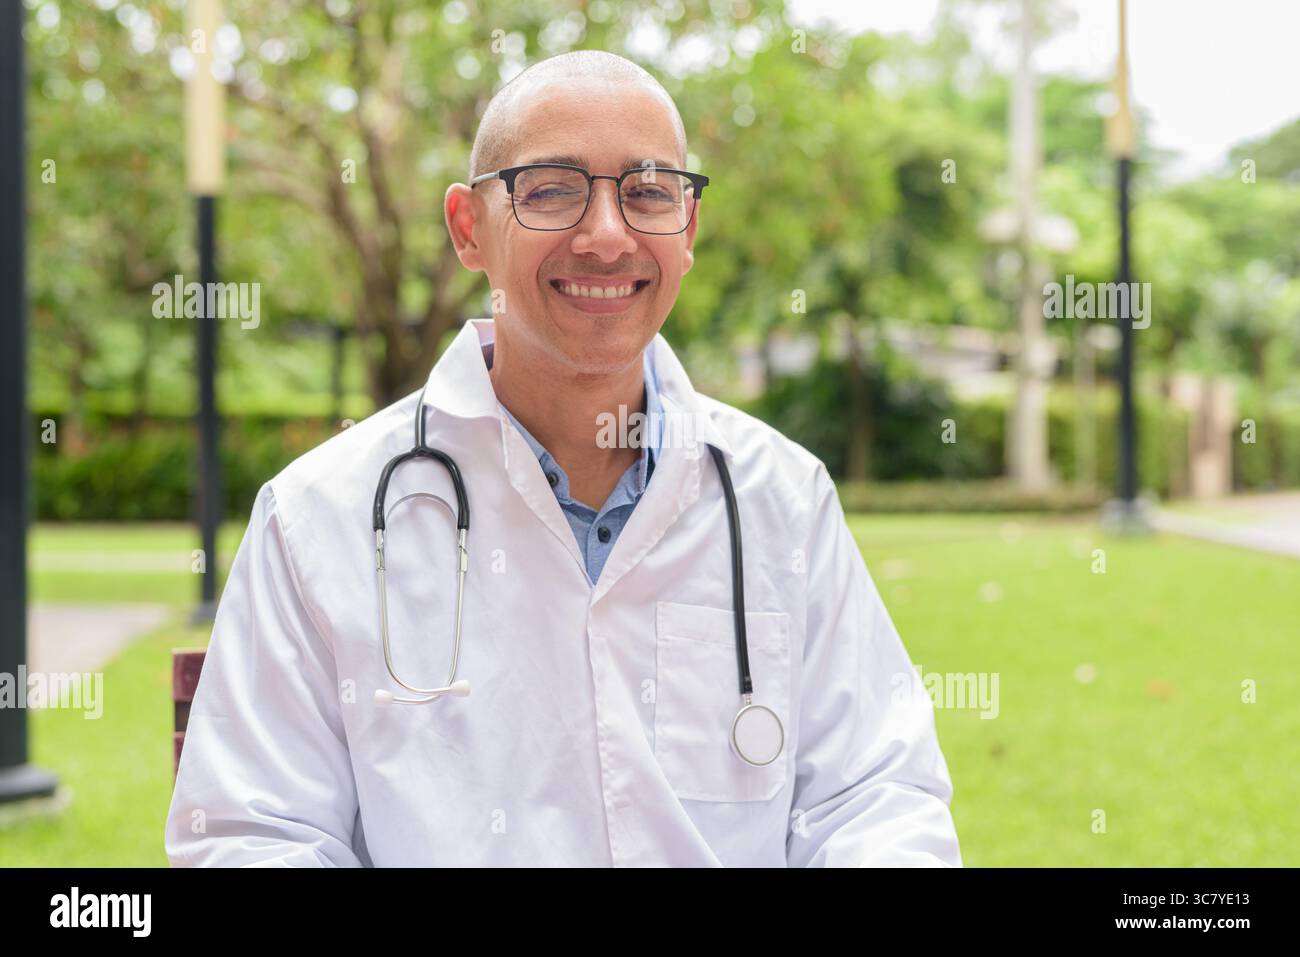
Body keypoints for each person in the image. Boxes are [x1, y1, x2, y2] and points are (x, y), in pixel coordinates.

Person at [164, 50, 962, 867]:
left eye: (649, 192)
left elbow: (875, 795)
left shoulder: (782, 498)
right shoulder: (316, 516)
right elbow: (253, 835)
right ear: (468, 228)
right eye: (551, 189)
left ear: (687, 231)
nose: (607, 236)